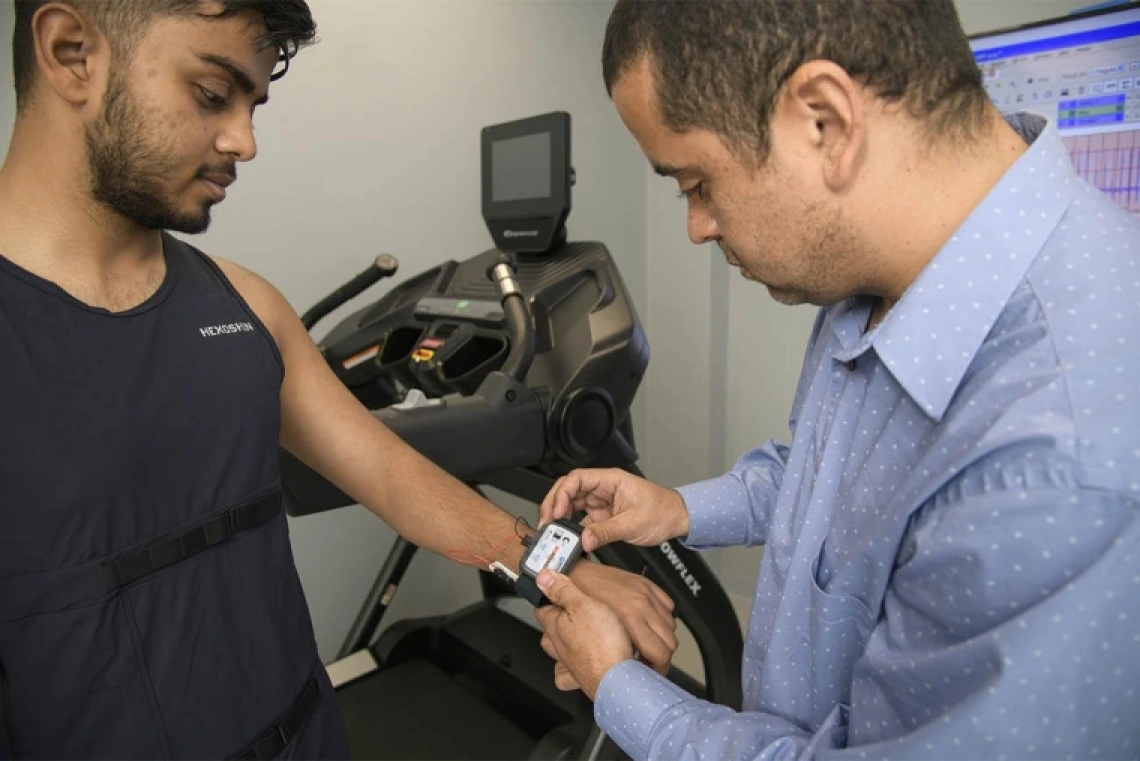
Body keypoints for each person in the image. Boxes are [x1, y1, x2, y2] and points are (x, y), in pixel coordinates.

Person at [0, 1, 679, 757]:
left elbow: (391, 473)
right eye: (211, 93)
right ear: (69, 53)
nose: (244, 141)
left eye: (254, 104)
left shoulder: (247, 306)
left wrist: (565, 568)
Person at [533, 1, 1140, 759]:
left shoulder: (1063, 461)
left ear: (824, 121)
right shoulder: (881, 278)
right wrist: (678, 508)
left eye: (697, 183)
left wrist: (617, 682)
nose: (697, 226)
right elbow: (835, 485)